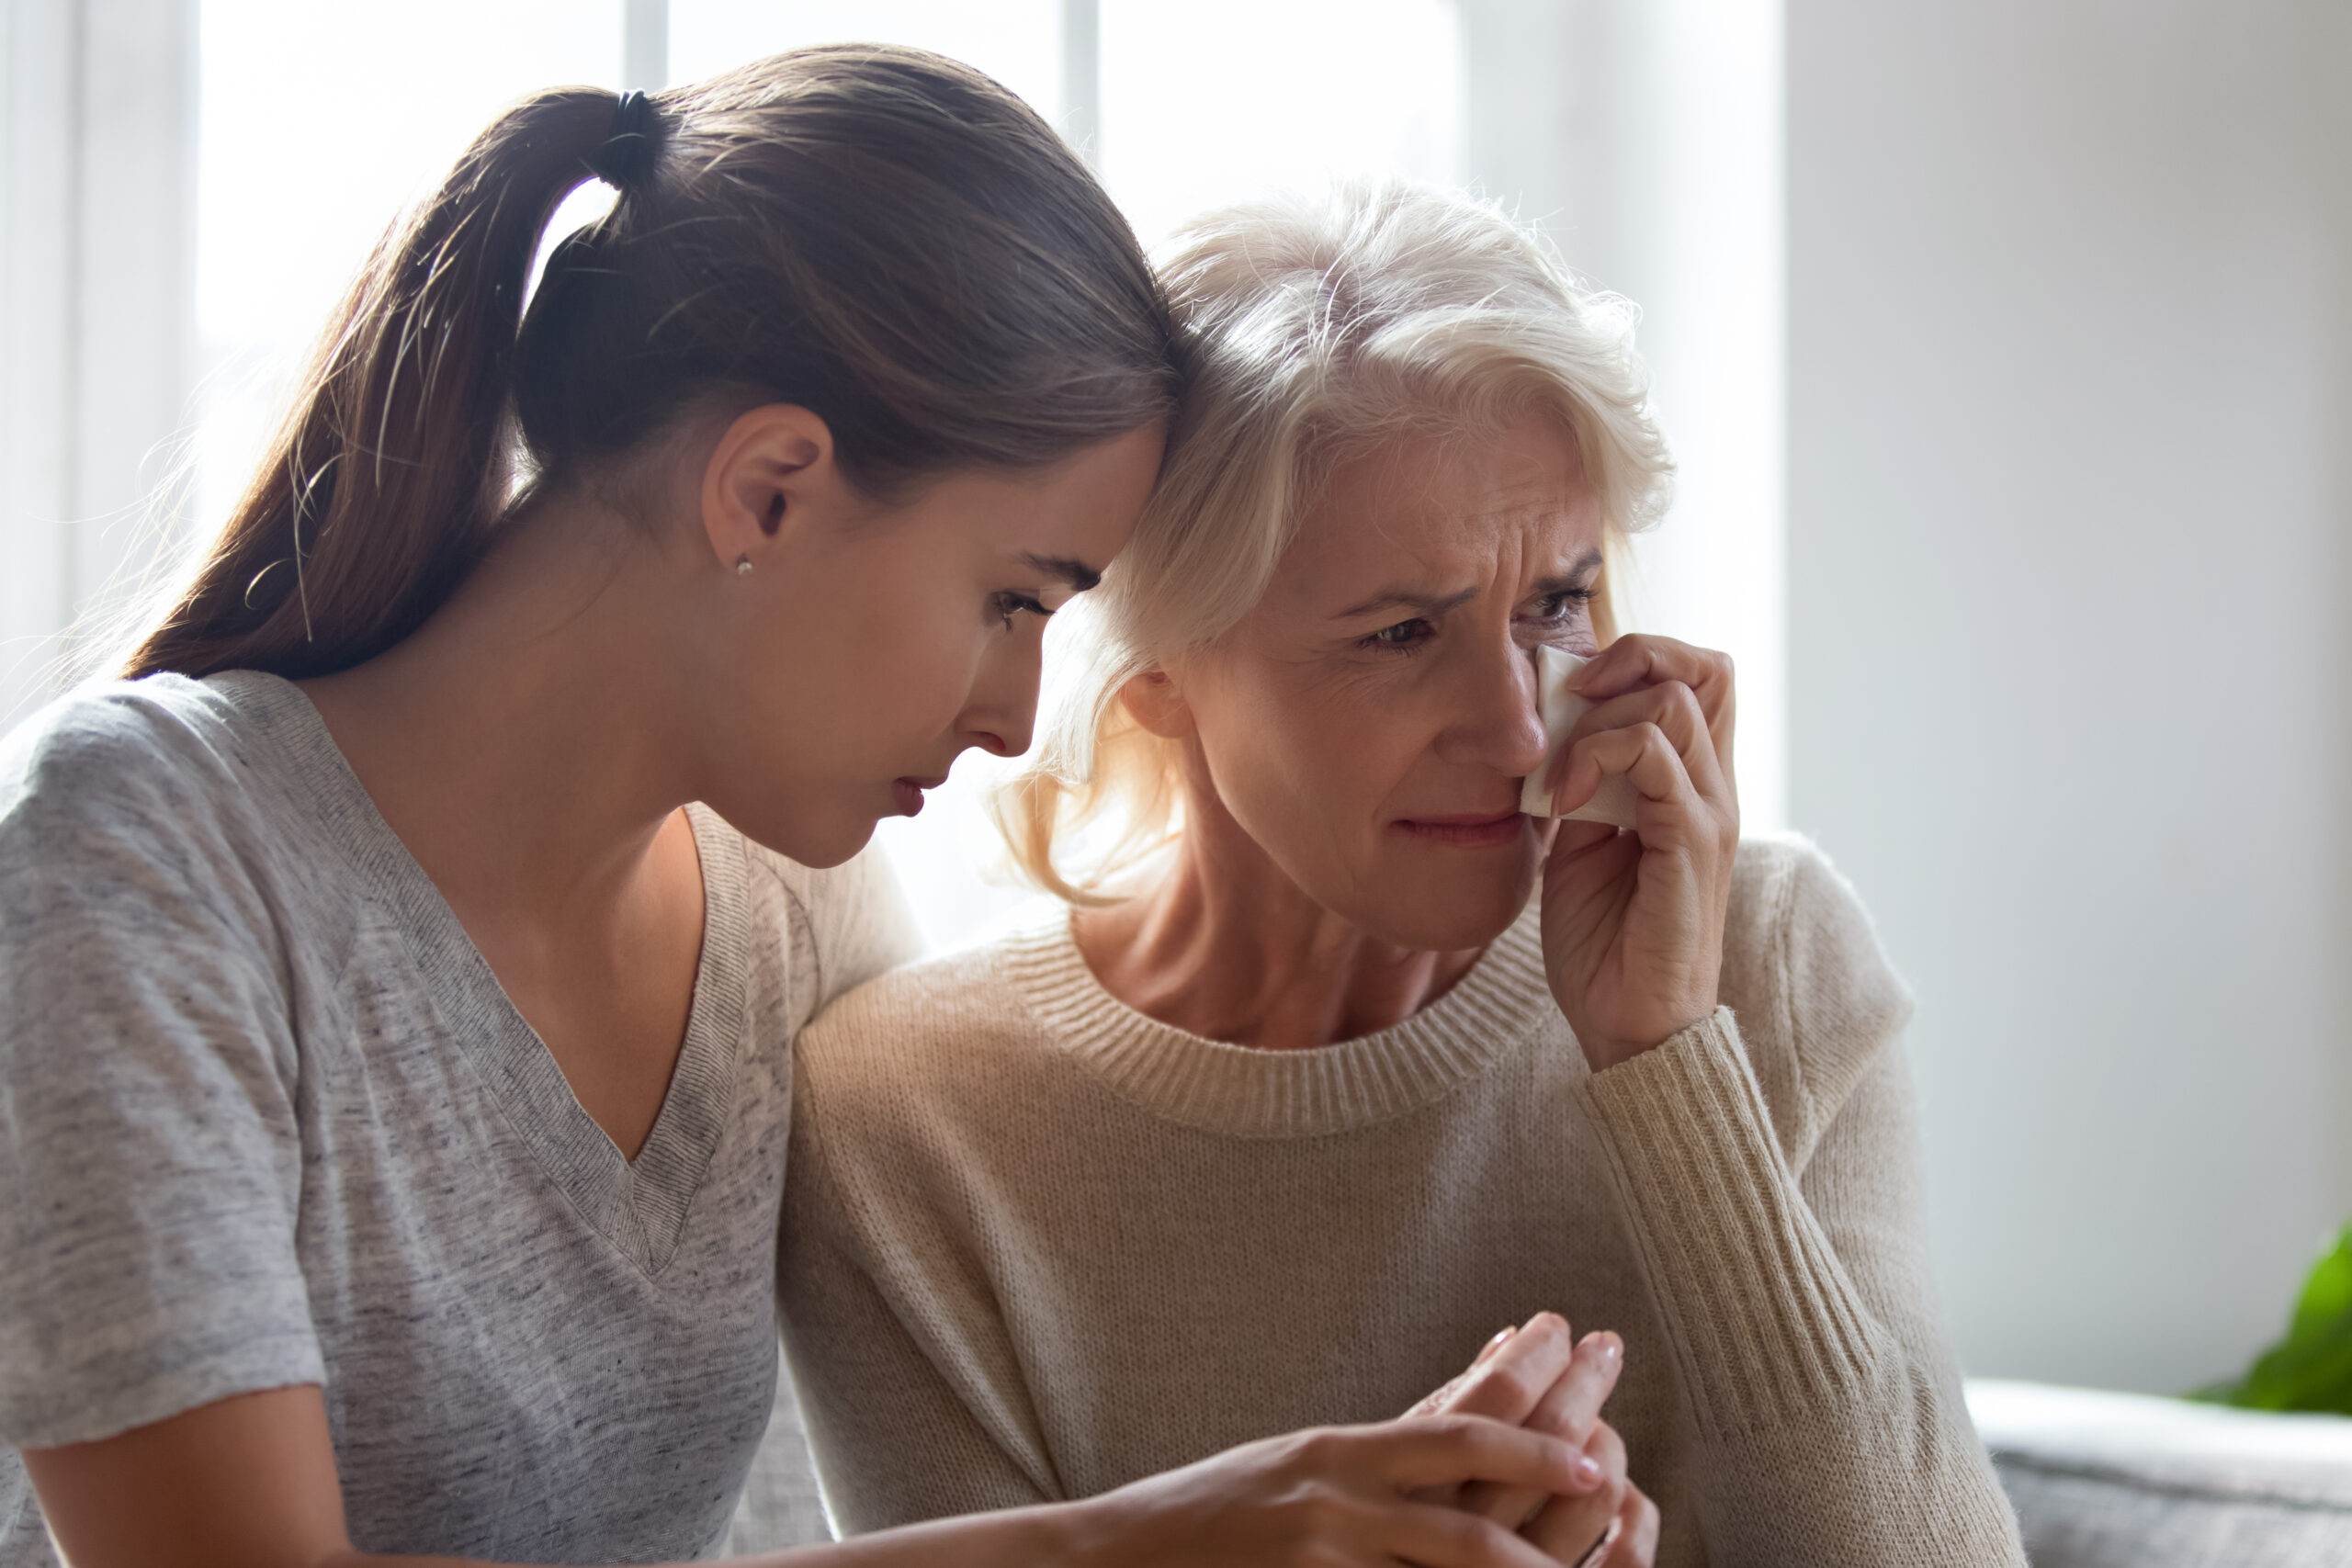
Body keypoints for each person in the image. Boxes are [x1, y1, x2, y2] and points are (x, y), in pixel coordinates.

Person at [0, 53, 1602, 1568]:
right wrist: (1154, 1540)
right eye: (1010, 598)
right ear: (768, 486)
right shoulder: (147, 846)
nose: (1017, 714)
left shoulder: (789, 907)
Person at [776, 182, 2032, 1567]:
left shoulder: (1765, 950)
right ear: (1159, 675)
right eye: (1397, 635)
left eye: (1554, 601)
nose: (1512, 732)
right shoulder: (906, 1122)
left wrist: (1668, 1058)